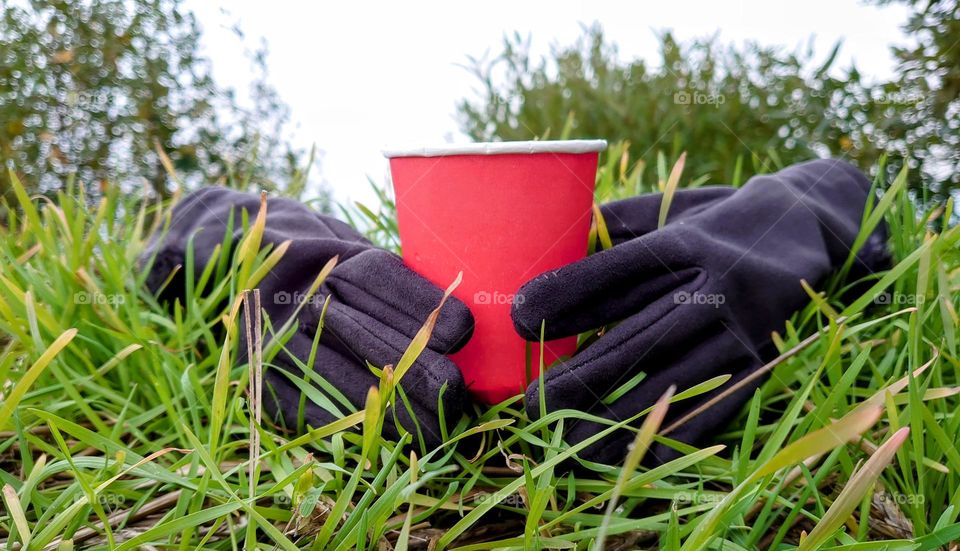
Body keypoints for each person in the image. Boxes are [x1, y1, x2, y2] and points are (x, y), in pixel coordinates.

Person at [142, 158, 889, 464]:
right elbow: (201, 212)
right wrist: (280, 277)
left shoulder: (627, 230)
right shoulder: (357, 260)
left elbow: (849, 188)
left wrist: (787, 223)